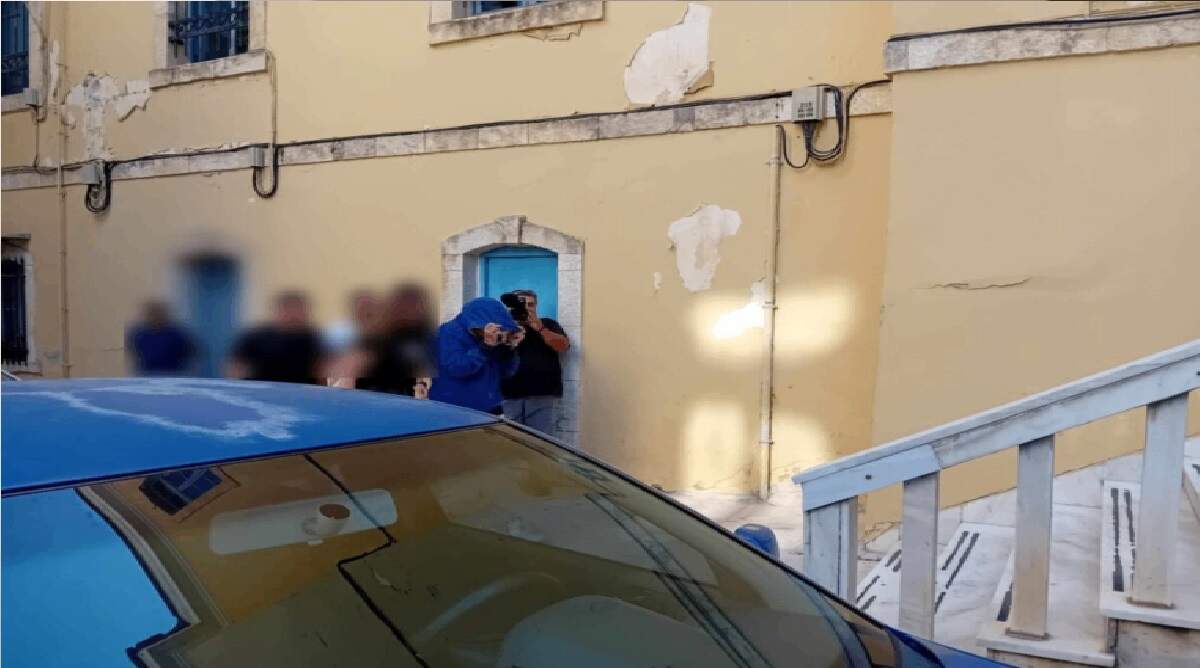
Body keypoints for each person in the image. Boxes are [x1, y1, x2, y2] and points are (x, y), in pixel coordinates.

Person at [428, 297, 523, 413]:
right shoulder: (448, 333)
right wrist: (486, 346)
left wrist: (509, 347)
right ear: (478, 324)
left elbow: (507, 372)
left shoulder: (491, 337)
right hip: (454, 408)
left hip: (489, 407)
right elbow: (457, 368)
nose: (496, 332)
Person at [501, 289, 570, 434]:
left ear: (536, 306)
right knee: (509, 440)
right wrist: (509, 330)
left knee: (542, 441)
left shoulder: (548, 324)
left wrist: (540, 327)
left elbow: (563, 346)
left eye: (530, 305)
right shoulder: (502, 326)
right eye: (521, 304)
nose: (526, 308)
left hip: (542, 393)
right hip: (508, 394)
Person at [352, 282, 436, 397]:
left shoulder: (414, 336)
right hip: (370, 396)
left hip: (402, 395)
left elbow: (419, 365)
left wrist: (420, 384)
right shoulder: (363, 340)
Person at [227, 290, 325, 384]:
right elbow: (236, 368)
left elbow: (324, 371)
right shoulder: (256, 338)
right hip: (263, 391)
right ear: (280, 311)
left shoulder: (314, 340)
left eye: (297, 310)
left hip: (303, 392)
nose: (293, 315)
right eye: (289, 310)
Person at [126, 300, 196, 376]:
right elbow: (135, 352)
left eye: (158, 313)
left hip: (173, 375)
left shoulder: (177, 334)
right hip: (147, 375)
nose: (155, 317)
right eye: (152, 314)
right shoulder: (140, 335)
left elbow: (190, 352)